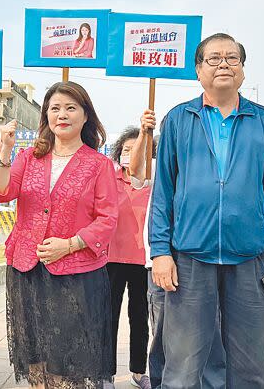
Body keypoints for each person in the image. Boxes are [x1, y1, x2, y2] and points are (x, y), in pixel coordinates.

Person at [150, 33, 264, 388]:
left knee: (251, 365)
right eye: (214, 58)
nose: (224, 64)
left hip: (248, 259)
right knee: (184, 364)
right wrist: (160, 252)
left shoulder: (262, 121)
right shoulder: (178, 119)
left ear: (243, 71)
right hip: (189, 258)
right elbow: (164, 194)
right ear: (198, 70)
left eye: (232, 58)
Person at [0, 81, 118, 389]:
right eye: (55, 108)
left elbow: (108, 218)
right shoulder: (28, 157)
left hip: (75, 276)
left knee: (68, 362)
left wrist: (70, 244)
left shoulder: (98, 164)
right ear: (46, 115)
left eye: (71, 108)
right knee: (37, 359)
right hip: (27, 271)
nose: (62, 115)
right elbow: (0, 191)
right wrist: (5, 151)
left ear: (86, 116)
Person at [129, 110, 227, 389]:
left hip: (199, 258)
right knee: (163, 331)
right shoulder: (162, 163)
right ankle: (161, 382)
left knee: (210, 327)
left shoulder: (208, 164)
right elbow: (135, 173)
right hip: (160, 261)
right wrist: (144, 134)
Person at [107, 126, 154, 389]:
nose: (131, 154)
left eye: (138, 150)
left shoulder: (153, 182)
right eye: (126, 149)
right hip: (111, 258)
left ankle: (138, 371)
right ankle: (107, 374)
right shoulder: (108, 179)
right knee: (108, 317)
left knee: (140, 319)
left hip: (142, 260)